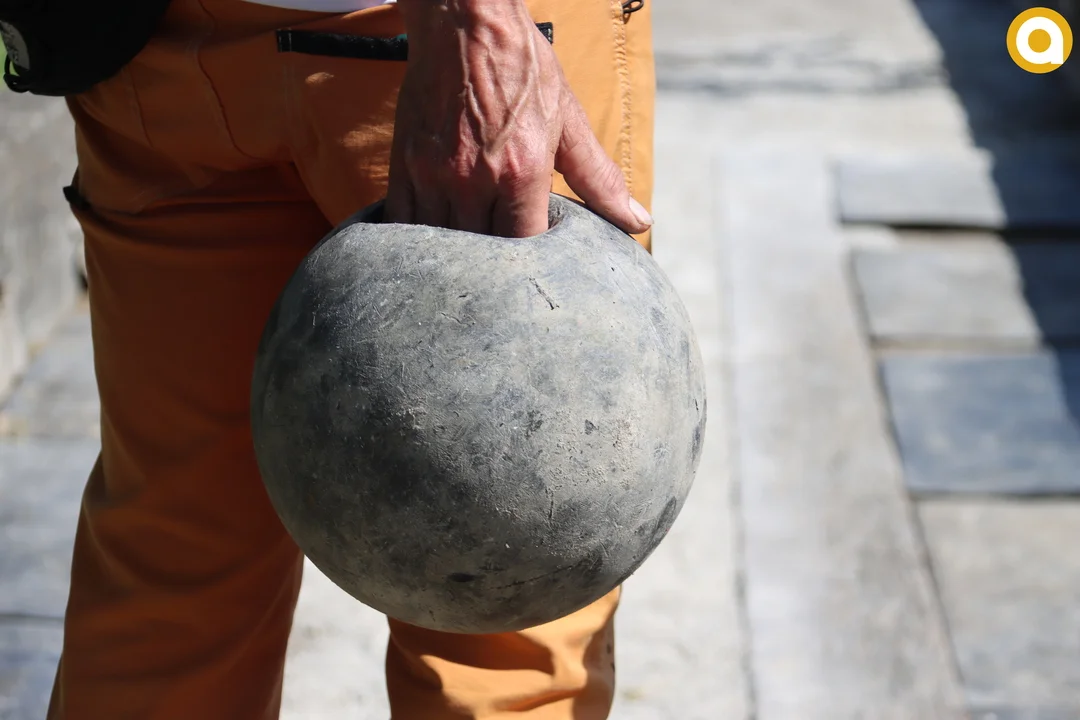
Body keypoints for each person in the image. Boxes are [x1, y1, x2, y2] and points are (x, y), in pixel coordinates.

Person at [45, 0, 654, 716]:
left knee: (173, 582)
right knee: (511, 602)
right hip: (443, 46)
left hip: (175, 55)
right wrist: (478, 22)